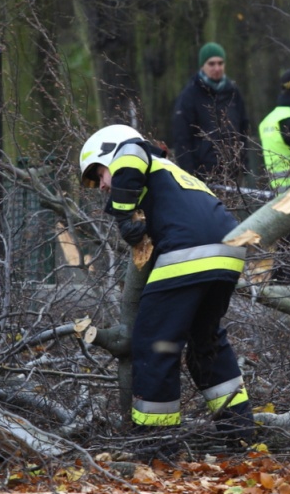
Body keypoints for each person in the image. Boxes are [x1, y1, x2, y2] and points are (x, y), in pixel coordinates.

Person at [79, 124, 256, 456]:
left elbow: (130, 151)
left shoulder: (133, 151)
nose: (101, 185)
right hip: (230, 251)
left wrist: (123, 217)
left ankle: (157, 447)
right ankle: (240, 433)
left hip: (187, 253)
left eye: (98, 173)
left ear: (110, 153)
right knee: (206, 346)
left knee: (155, 342)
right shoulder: (171, 172)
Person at [171, 42, 250, 184]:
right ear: (203, 65)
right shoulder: (190, 96)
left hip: (233, 172)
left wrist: (244, 165)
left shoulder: (233, 92)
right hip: (204, 175)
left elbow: (243, 128)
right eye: (211, 64)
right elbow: (182, 138)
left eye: (220, 63)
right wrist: (190, 175)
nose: (217, 68)